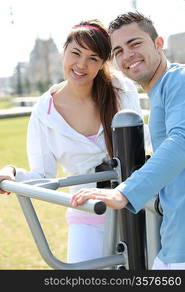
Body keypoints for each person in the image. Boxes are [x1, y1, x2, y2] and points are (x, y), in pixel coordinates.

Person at [0, 19, 150, 263]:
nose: (81, 65)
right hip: (89, 211)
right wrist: (12, 172)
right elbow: (43, 175)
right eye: (76, 53)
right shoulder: (44, 112)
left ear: (102, 63)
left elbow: (142, 145)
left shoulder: (121, 90)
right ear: (64, 51)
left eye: (93, 58)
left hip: (136, 209)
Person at [71, 12, 185, 270]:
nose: (127, 55)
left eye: (135, 44)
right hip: (172, 243)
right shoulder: (160, 92)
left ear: (158, 43)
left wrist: (123, 191)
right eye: (118, 51)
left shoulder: (178, 80)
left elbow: (181, 141)